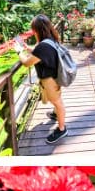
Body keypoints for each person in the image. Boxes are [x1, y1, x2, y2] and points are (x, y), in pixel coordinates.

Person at [15, 14, 68, 144]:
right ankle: (56, 114)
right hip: (55, 76)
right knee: (57, 100)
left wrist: (19, 52)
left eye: (34, 30)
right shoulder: (50, 39)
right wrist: (29, 48)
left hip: (50, 80)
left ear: (38, 30)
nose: (33, 32)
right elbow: (41, 53)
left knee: (57, 102)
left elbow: (27, 62)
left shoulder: (43, 46)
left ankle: (62, 129)